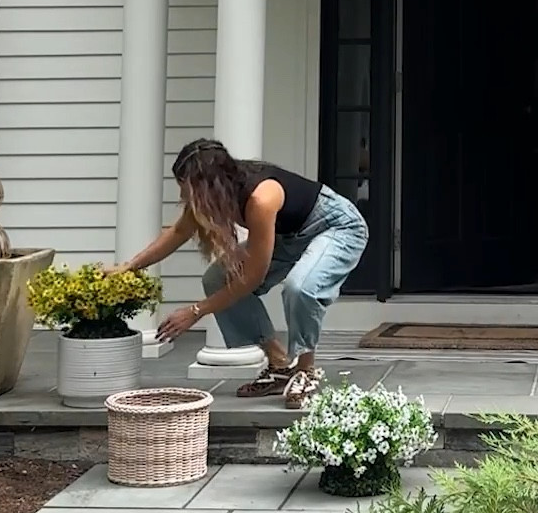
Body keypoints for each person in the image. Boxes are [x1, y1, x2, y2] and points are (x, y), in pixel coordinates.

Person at [116, 138, 368, 401]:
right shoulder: (217, 193)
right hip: (290, 236)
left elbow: (252, 277)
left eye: (186, 189)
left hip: (337, 226)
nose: (183, 197)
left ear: (209, 185)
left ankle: (305, 371)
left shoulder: (261, 198)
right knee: (217, 278)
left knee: (300, 288)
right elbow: (179, 232)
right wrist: (130, 267)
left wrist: (196, 311)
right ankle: (279, 364)